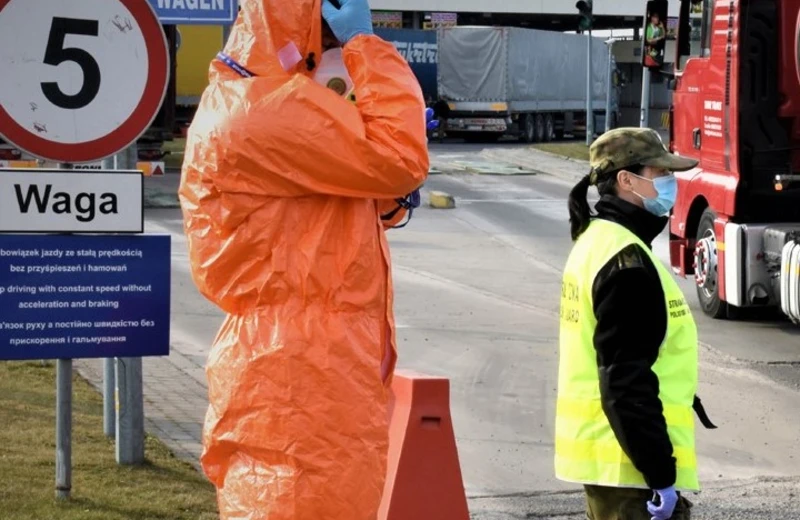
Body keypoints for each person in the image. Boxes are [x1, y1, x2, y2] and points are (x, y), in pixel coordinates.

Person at [178, 0, 429, 518]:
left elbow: (304, 221)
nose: (340, 51)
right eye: (333, 37)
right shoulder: (265, 108)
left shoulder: (256, 100)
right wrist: (369, 49)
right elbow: (400, 159)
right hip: (303, 370)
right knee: (306, 498)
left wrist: (377, 204)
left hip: (299, 361)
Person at [555, 128, 717, 520]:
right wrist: (660, 473)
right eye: (659, 172)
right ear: (627, 180)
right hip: (632, 475)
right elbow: (625, 380)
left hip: (609, 464)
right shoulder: (626, 262)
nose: (670, 182)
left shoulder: (596, 240)